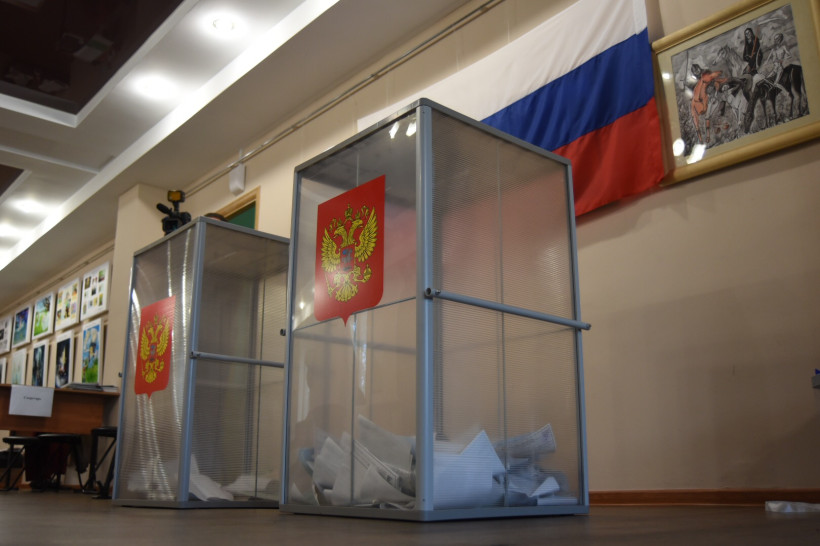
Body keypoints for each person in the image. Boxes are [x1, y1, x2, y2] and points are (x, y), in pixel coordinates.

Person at [690, 63, 727, 144]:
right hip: (706, 96)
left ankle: (721, 121)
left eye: (697, 70)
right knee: (707, 116)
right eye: (695, 71)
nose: (697, 72)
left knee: (721, 96)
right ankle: (708, 136)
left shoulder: (705, 73)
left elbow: (713, 79)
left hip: (713, 89)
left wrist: (714, 86)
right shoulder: (696, 80)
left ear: (699, 68)